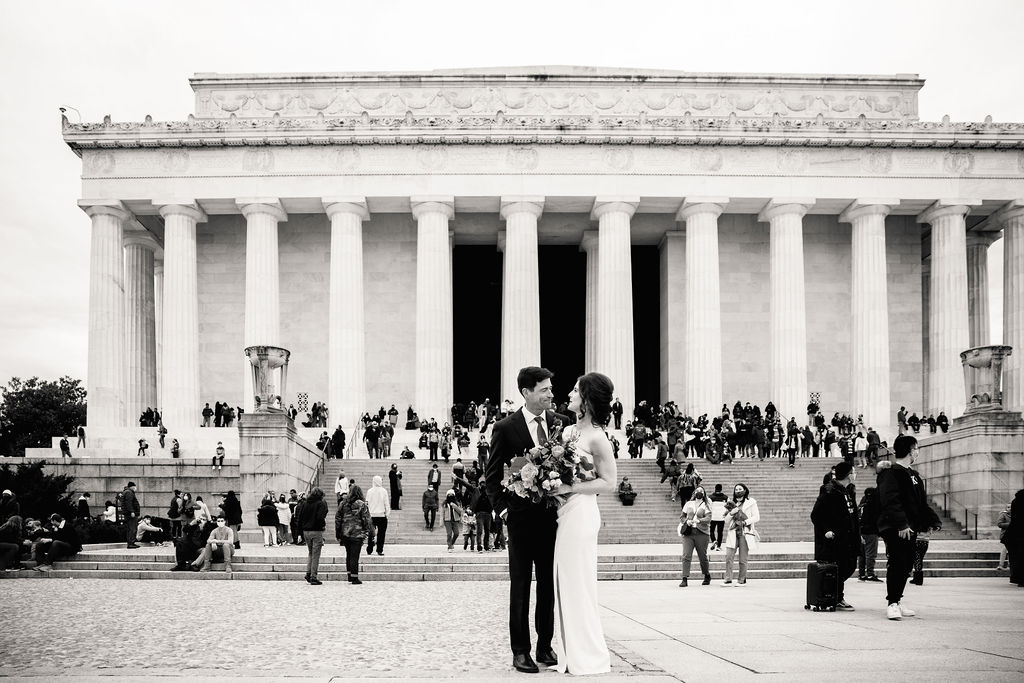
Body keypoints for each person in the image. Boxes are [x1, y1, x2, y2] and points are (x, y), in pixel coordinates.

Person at [484, 366, 568, 674]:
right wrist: (505, 512)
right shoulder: (506, 427)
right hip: (519, 520)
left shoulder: (562, 423)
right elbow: (491, 478)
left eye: (550, 389)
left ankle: (545, 646)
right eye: (544, 390)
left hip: (552, 518)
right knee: (520, 585)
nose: (550, 394)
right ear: (526, 393)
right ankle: (520, 650)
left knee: (548, 584)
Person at [549, 373, 615, 674]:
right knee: (564, 581)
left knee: (579, 583)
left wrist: (569, 487)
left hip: (582, 512)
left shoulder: (598, 437)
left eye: (576, 390)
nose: (570, 393)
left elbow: (609, 482)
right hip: (564, 513)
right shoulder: (566, 432)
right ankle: (568, 653)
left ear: (587, 399)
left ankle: (588, 655)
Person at [877, 434, 942, 620]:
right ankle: (892, 603)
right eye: (916, 449)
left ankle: (897, 599)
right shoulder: (891, 472)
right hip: (897, 527)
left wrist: (932, 521)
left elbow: (921, 503)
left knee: (906, 565)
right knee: (897, 563)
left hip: (911, 527)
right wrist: (901, 524)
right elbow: (890, 501)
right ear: (909, 450)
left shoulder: (914, 475)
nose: (917, 452)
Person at [811, 461, 860, 610]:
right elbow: (816, 515)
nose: (855, 474)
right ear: (848, 475)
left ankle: (836, 595)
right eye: (853, 472)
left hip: (849, 538)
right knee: (839, 567)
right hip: (834, 539)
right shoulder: (829, 490)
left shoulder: (849, 490)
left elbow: (852, 515)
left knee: (849, 566)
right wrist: (826, 530)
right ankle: (836, 597)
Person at [722, 483, 760, 586]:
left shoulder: (751, 502)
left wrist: (745, 522)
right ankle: (728, 579)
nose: (738, 491)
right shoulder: (731, 503)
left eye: (740, 489)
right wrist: (731, 513)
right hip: (733, 533)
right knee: (729, 557)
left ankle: (741, 580)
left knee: (743, 559)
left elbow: (756, 517)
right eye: (736, 489)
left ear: (745, 490)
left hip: (744, 533)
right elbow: (725, 520)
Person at [337, 483, 373, 584]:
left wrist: (338, 532)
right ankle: (354, 577)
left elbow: (338, 518)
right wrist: (367, 531)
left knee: (349, 555)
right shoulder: (361, 504)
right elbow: (366, 519)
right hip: (357, 533)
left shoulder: (343, 503)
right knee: (355, 556)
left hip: (345, 533)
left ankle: (349, 575)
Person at [678, 486, 713, 587]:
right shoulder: (689, 503)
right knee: (686, 555)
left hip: (702, 533)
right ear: (694, 493)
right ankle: (684, 578)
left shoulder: (706, 504)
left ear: (704, 493)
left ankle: (707, 575)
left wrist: (699, 520)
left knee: (702, 556)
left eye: (701, 491)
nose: (699, 492)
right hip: (688, 533)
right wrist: (686, 521)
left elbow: (709, 518)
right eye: (697, 491)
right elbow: (682, 516)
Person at [297, 487, 328, 585]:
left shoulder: (305, 503)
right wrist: (322, 526)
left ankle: (308, 573)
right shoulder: (321, 503)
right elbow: (320, 517)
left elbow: (299, 518)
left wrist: (299, 533)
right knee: (316, 555)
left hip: (306, 531)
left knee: (311, 553)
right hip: (316, 531)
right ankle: (313, 577)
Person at [858, 482, 882, 582]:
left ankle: (862, 574)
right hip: (871, 531)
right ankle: (870, 574)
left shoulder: (863, 503)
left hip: (861, 531)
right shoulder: (874, 504)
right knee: (870, 554)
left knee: (862, 554)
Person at [365, 475, 390, 556]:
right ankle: (379, 550)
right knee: (381, 534)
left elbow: (367, 503)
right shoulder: (384, 491)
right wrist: (387, 514)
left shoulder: (369, 491)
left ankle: (369, 549)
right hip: (382, 516)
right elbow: (386, 504)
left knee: (371, 533)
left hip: (371, 515)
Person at [1006, 489, 1024, 587]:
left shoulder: (1015, 501)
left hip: (1014, 534)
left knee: (1016, 558)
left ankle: (1016, 578)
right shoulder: (1019, 502)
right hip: (1019, 534)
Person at [120, 482, 141, 549]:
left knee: (130, 528)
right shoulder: (129, 492)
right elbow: (129, 503)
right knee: (132, 528)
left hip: (128, 513)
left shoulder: (127, 492)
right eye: (134, 486)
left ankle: (131, 542)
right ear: (132, 487)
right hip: (131, 514)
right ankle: (131, 543)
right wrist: (132, 511)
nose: (135, 488)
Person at [708, 484, 728, 551]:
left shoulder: (710, 497)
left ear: (715, 488)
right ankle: (718, 546)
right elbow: (729, 506)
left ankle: (713, 540)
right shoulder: (725, 497)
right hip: (721, 517)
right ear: (721, 489)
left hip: (713, 517)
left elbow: (708, 506)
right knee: (720, 532)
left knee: (711, 530)